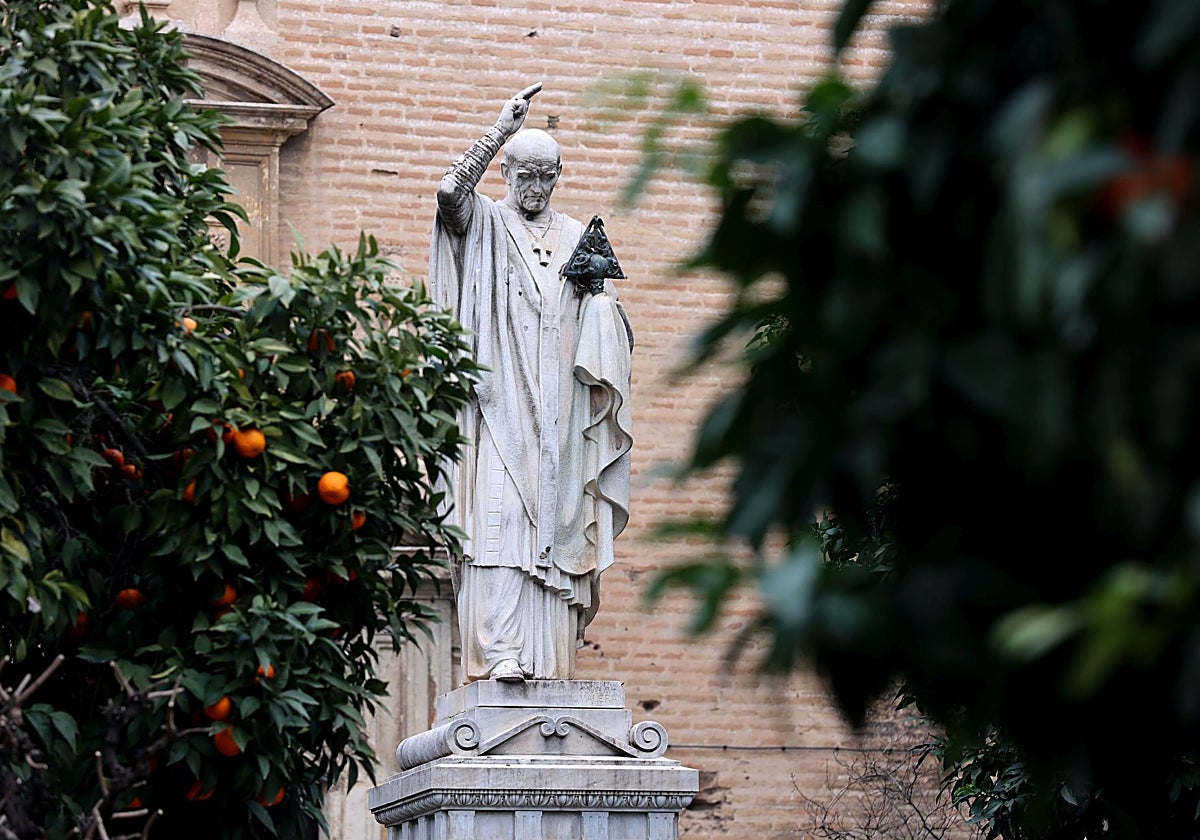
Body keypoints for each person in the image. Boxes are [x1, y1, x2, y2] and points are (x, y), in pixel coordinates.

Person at [429, 84, 634, 684]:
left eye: (546, 174)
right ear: (508, 172)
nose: (535, 185)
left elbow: (612, 320)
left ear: (558, 178)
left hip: (561, 412)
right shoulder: (487, 221)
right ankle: (499, 655)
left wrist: (602, 310)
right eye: (524, 172)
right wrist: (498, 130)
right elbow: (448, 195)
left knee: (558, 523)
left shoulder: (578, 238)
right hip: (497, 402)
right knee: (497, 523)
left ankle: (550, 661)